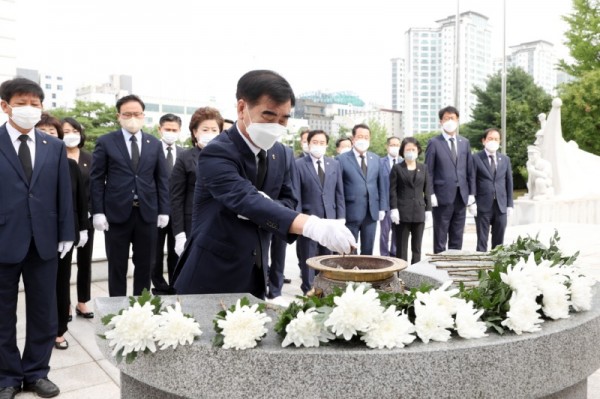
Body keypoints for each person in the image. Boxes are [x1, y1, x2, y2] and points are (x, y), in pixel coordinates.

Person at [172, 70, 356, 299]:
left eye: (284, 119)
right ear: (242, 108)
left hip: (255, 271)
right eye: (269, 116)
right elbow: (244, 199)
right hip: (211, 274)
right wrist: (313, 226)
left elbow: (289, 199)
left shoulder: (280, 153)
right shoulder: (216, 153)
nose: (277, 125)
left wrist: (264, 207)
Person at [0, 77, 74, 398]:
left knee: (44, 311)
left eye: (35, 104)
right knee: (2, 313)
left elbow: (63, 195)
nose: (29, 109)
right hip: (3, 239)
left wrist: (67, 233)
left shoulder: (54, 147)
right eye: (22, 102)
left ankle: (36, 372)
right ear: (5, 106)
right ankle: (6, 376)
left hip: (44, 241)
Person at [90, 94, 170, 297]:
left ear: (143, 115)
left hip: (147, 214)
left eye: (137, 113)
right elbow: (97, 179)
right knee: (117, 265)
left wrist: (164, 210)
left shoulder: (154, 143)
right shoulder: (106, 142)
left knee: (146, 264)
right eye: (127, 114)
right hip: (117, 214)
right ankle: (116, 309)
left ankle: (141, 307)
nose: (132, 118)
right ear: (119, 116)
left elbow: (161, 179)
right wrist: (98, 212)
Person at [36, 114, 88, 351]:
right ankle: (40, 329)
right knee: (38, 284)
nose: (48, 134)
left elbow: (79, 200)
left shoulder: (69, 165)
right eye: (42, 130)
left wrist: (82, 228)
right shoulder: (28, 161)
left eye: (52, 131)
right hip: (33, 232)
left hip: (62, 233)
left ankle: (59, 330)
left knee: (60, 282)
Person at [293, 129, 345, 294]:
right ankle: (308, 290)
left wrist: (341, 217)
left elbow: (339, 192)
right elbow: (296, 194)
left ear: (327, 145)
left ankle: (325, 289)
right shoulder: (299, 164)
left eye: (322, 143)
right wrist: (299, 218)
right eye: (315, 142)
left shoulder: (334, 164)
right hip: (308, 219)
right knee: (308, 257)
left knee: (326, 257)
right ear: (308, 144)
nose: (318, 146)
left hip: (329, 219)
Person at [170, 107, 224, 258]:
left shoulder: (226, 158)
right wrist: (179, 234)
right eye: (205, 129)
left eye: (214, 130)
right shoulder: (185, 158)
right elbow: (176, 198)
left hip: (220, 223)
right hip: (192, 223)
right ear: (195, 132)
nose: (210, 133)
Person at [425, 106, 475, 254]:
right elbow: (429, 171)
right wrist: (430, 194)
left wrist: (471, 194)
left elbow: (469, 170)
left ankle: (454, 266)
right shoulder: (434, 142)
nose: (450, 121)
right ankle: (439, 269)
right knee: (440, 237)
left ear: (458, 120)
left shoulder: (464, 142)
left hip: (461, 196)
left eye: (452, 118)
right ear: (441, 121)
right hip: (441, 197)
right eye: (446, 118)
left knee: (457, 236)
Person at [336, 123, 388, 255]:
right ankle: (349, 275)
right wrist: (340, 213)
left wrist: (382, 207)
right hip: (350, 212)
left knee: (368, 251)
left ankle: (365, 274)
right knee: (349, 250)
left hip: (371, 213)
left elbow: (381, 185)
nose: (363, 140)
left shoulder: (376, 159)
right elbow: (338, 189)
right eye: (360, 136)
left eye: (366, 137)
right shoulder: (341, 159)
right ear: (353, 139)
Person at [62, 117, 95, 319]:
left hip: (87, 217)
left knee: (85, 261)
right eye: (65, 131)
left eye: (74, 130)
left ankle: (82, 301)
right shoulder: (55, 155)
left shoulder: (90, 157)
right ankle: (63, 303)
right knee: (63, 264)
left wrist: (91, 210)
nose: (70, 135)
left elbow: (96, 187)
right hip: (64, 217)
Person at [152, 113, 184, 295]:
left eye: (174, 130)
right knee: (155, 252)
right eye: (167, 129)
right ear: (160, 129)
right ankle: (158, 284)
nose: (171, 133)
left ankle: (174, 283)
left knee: (175, 249)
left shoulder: (183, 153)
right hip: (156, 210)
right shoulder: (151, 150)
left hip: (177, 211)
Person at [390, 137, 432, 264]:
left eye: (413, 149)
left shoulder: (423, 168)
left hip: (419, 212)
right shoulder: (397, 168)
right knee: (402, 248)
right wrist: (394, 208)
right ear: (402, 151)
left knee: (417, 247)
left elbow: (427, 190)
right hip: (402, 213)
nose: (411, 151)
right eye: (408, 149)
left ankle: (415, 273)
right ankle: (400, 273)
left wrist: (428, 210)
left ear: (418, 150)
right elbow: (392, 190)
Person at [473, 128, 514, 252]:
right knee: (482, 240)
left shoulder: (505, 159)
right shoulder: (475, 158)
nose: (493, 141)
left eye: (496, 139)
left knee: (499, 241)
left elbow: (509, 182)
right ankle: (480, 267)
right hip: (483, 205)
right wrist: (472, 201)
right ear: (484, 141)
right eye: (490, 138)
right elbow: (472, 180)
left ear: (500, 141)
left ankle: (495, 266)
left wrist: (510, 204)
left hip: (501, 206)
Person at [378, 136, 401, 257]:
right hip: (385, 204)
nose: (395, 147)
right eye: (392, 145)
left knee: (397, 232)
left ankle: (394, 255)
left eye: (397, 145)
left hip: (399, 205)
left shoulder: (404, 162)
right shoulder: (380, 162)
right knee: (384, 233)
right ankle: (384, 256)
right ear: (387, 146)